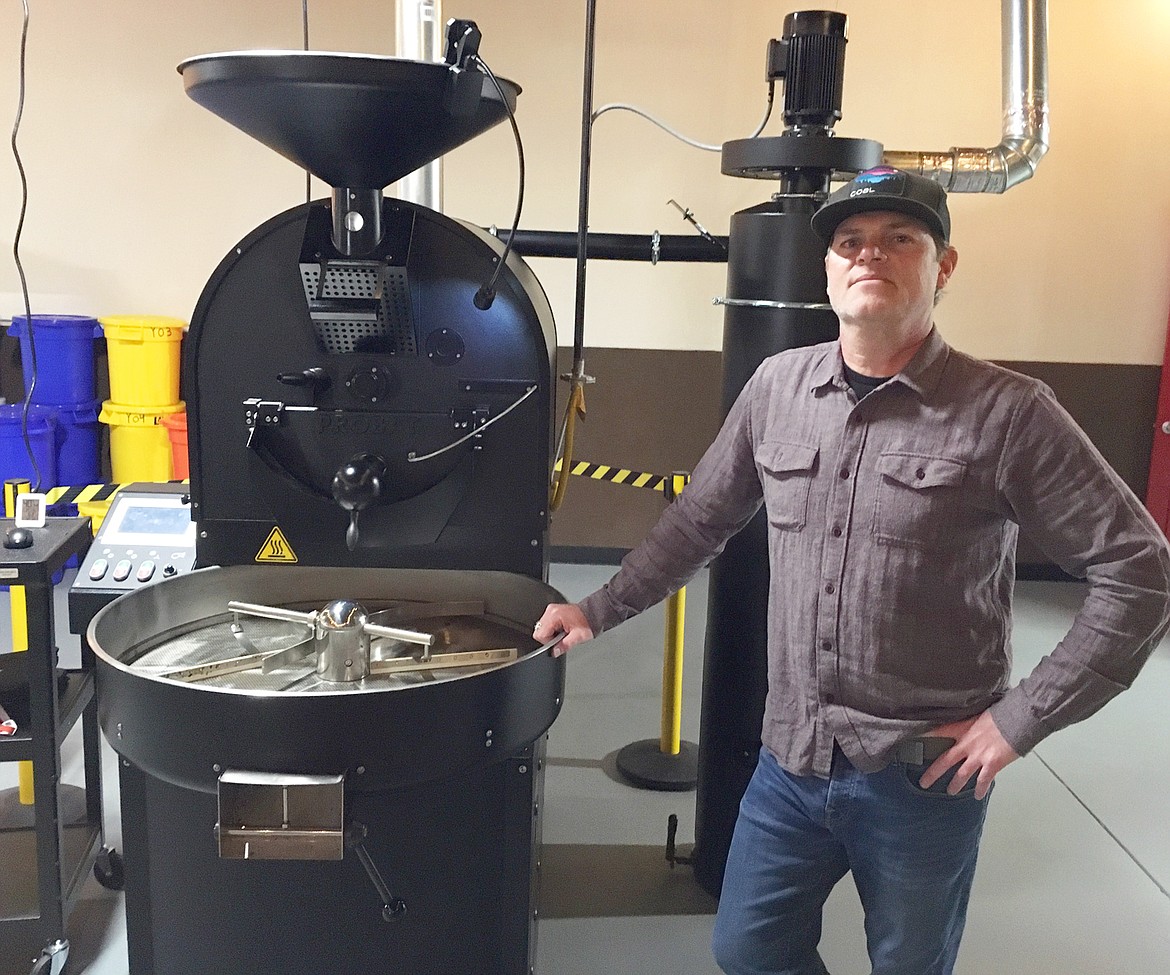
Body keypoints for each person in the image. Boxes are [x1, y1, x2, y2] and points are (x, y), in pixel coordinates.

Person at [533, 166, 1170, 975]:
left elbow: (1139, 570)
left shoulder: (1009, 413)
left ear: (943, 267)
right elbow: (702, 518)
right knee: (747, 946)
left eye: (901, 238)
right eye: (850, 242)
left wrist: (1019, 720)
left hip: (921, 777)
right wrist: (598, 608)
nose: (872, 254)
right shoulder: (778, 388)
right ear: (828, 269)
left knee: (909, 965)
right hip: (790, 757)